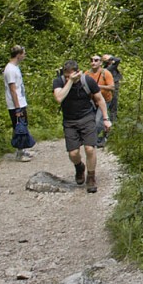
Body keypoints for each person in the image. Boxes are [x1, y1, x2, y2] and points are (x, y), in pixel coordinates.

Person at [53, 59, 112, 193]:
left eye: (72, 75)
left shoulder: (88, 81)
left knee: (90, 149)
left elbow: (99, 99)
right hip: (69, 121)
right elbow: (59, 98)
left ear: (78, 72)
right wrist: (70, 81)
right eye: (67, 75)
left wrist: (105, 118)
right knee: (73, 153)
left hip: (87, 117)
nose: (69, 77)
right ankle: (79, 167)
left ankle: (91, 177)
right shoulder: (59, 82)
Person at [3, 45, 32, 162]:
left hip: (21, 101)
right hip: (15, 104)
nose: (24, 56)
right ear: (18, 55)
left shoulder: (15, 67)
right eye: (23, 54)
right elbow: (12, 89)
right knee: (18, 127)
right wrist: (17, 108)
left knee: (23, 125)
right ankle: (19, 153)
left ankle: (23, 149)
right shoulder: (10, 69)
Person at [84, 54, 116, 148]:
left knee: (98, 120)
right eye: (91, 60)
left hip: (105, 100)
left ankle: (95, 140)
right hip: (92, 101)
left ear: (101, 62)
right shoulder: (87, 74)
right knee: (91, 121)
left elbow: (112, 87)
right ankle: (98, 137)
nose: (93, 62)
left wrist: (98, 87)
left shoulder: (105, 73)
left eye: (96, 60)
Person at [102, 54, 122, 122]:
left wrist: (110, 57)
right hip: (112, 86)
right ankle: (112, 120)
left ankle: (112, 119)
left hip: (114, 85)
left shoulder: (110, 67)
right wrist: (110, 57)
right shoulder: (109, 68)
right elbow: (117, 60)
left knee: (113, 103)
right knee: (113, 103)